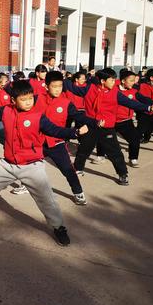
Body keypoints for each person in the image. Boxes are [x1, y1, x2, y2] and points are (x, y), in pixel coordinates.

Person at [0, 80, 90, 246]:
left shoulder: (38, 116)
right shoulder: (6, 111)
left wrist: (74, 132)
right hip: (8, 164)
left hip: (32, 166)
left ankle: (59, 227)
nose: (28, 102)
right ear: (13, 100)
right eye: (23, 99)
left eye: (30, 98)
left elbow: (55, 130)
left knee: (47, 200)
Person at [64, 68, 153, 185]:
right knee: (84, 149)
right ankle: (78, 169)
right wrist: (65, 79)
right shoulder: (89, 89)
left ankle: (123, 174)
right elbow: (72, 88)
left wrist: (147, 108)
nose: (114, 83)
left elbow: (130, 103)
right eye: (112, 80)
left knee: (115, 153)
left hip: (107, 127)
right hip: (91, 126)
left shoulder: (115, 93)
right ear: (103, 81)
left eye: (114, 80)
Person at [34, 71, 96, 205]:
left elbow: (79, 116)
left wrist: (94, 122)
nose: (57, 89)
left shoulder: (66, 103)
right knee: (25, 166)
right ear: (46, 86)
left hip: (57, 143)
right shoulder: (36, 98)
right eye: (54, 86)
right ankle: (24, 185)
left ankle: (78, 193)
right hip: (38, 141)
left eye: (60, 86)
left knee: (68, 170)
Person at [137, 68, 153, 143]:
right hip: (145, 113)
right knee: (140, 131)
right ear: (151, 78)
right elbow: (143, 99)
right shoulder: (142, 86)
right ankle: (134, 144)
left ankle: (146, 138)